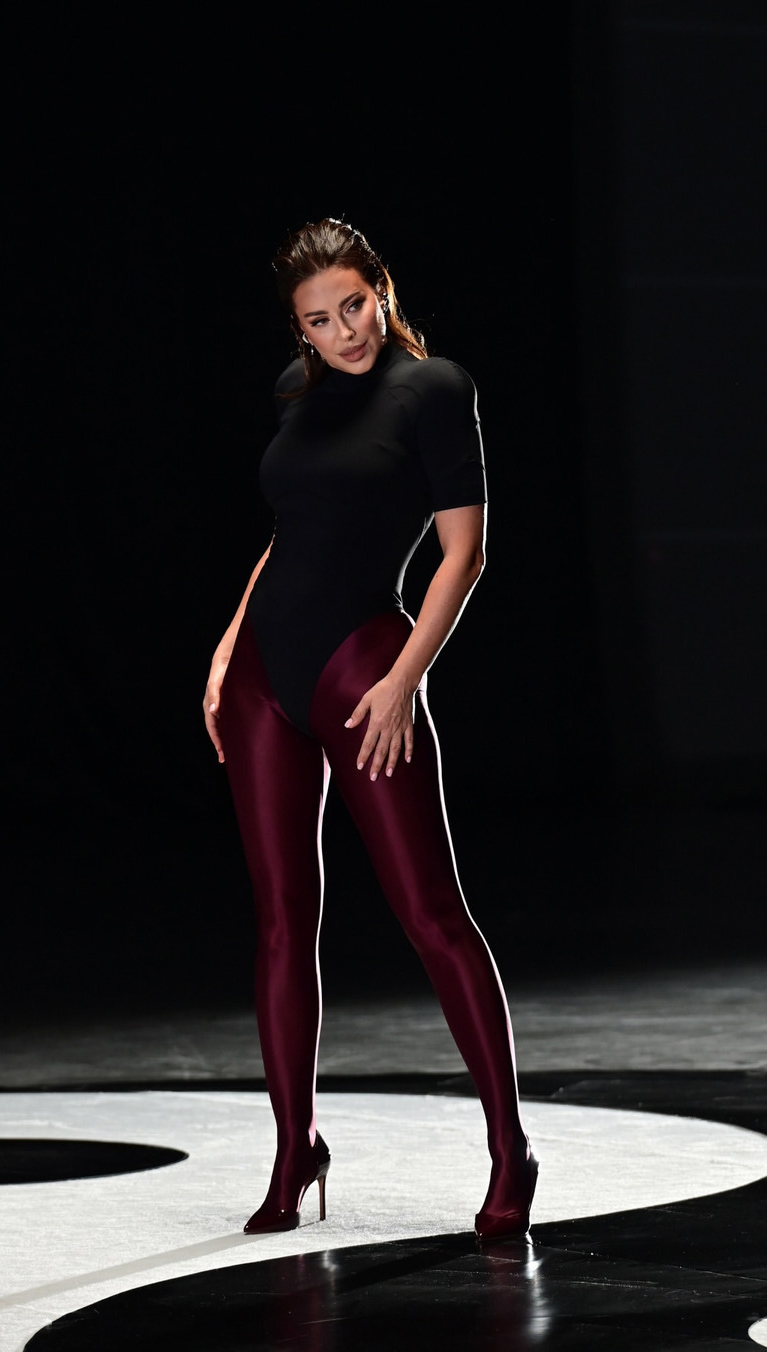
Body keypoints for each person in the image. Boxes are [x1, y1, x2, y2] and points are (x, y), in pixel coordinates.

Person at [202, 218, 537, 1241]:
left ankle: (509, 1149)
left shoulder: (433, 389)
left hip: (363, 670)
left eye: (355, 305)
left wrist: (402, 681)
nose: (344, 330)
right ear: (298, 329)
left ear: (382, 290)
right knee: (279, 921)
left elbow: (464, 553)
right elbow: (286, 536)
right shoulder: (294, 390)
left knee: (432, 913)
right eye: (320, 319)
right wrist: (226, 648)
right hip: (263, 676)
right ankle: (294, 1146)